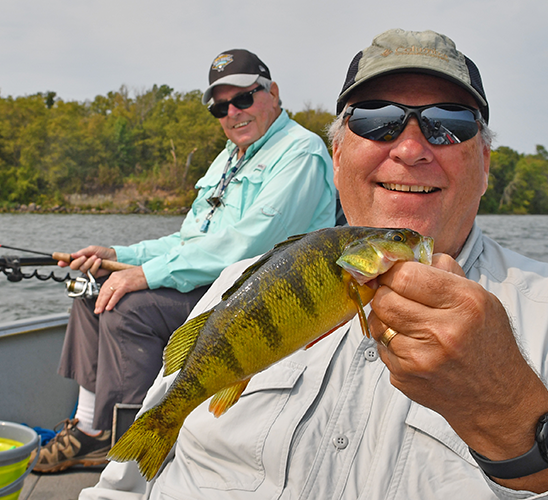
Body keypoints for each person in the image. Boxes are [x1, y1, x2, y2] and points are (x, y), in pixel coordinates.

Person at [81, 29, 548, 498]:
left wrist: (509, 412)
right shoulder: (235, 288)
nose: (411, 148)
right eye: (377, 119)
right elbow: (125, 484)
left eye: (449, 122)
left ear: (483, 164)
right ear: (338, 157)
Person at [33, 48, 336, 473]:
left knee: (127, 307)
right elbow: (190, 239)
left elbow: (245, 246)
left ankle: (132, 441)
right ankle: (91, 428)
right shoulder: (228, 159)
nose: (232, 113)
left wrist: (145, 276)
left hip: (256, 303)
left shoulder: (300, 152)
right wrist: (119, 257)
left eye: (244, 98)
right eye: (220, 106)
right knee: (91, 292)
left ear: (273, 93)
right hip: (214, 288)